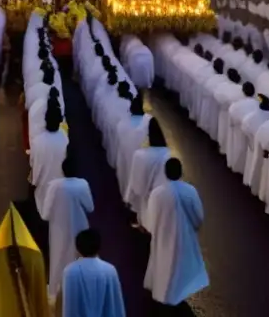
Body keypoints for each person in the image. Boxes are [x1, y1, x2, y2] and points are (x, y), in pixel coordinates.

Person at [142, 158, 208, 306]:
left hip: (163, 238)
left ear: (165, 173)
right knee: (182, 270)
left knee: (164, 268)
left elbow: (150, 222)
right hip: (184, 238)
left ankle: (165, 297)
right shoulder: (190, 191)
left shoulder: (157, 193)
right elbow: (199, 217)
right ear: (181, 172)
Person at [41, 158, 95, 303]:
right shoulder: (82, 184)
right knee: (79, 259)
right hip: (79, 227)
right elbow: (90, 207)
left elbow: (45, 214)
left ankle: (56, 293)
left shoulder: (54, 186)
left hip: (58, 229)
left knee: (58, 259)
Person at [61, 228, 126, 317]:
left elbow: (70, 307)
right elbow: (116, 305)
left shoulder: (70, 271)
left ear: (77, 248)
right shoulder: (110, 270)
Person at [124, 119, 171, 230]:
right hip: (163, 199)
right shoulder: (168, 153)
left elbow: (135, 182)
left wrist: (128, 198)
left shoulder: (140, 155)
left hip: (146, 198)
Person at [31, 108, 69, 213]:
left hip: (43, 189)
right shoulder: (65, 139)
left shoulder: (37, 141)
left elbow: (34, 164)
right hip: (60, 190)